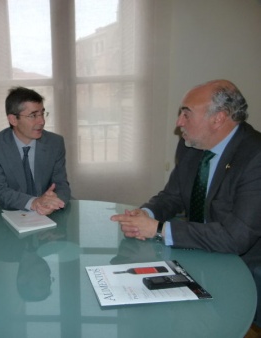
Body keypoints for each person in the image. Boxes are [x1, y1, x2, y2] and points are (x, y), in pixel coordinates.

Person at [111, 79, 261, 270]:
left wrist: (158, 229)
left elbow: (236, 237)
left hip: (244, 268)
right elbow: (173, 196)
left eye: (186, 114)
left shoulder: (255, 158)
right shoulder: (190, 145)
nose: (179, 122)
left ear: (218, 119)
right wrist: (146, 214)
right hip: (198, 253)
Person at [0, 86, 70, 215]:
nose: (42, 121)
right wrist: (34, 202)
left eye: (42, 113)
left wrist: (55, 202)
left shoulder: (55, 143)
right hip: (10, 212)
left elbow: (61, 184)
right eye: (33, 115)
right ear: (13, 119)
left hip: (50, 212)